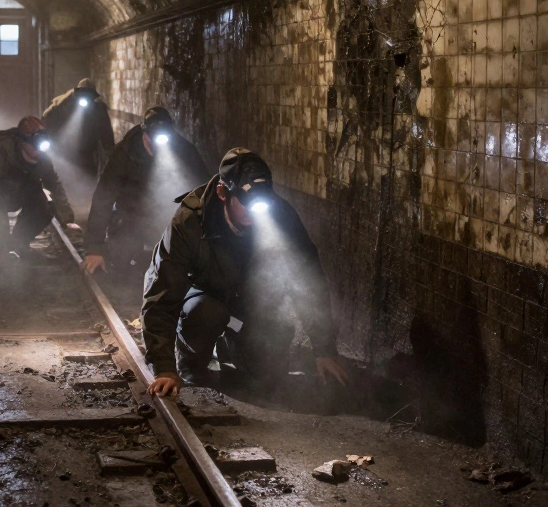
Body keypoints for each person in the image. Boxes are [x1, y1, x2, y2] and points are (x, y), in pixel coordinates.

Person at [141, 148, 349, 396]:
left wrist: (324, 350)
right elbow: (162, 294)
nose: (254, 211)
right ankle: (191, 361)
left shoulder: (281, 217)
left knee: (270, 371)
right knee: (207, 313)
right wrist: (164, 368)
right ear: (222, 193)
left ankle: (234, 349)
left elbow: (308, 283)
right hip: (204, 294)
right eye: (245, 202)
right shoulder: (189, 222)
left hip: (250, 299)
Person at [84, 107, 211, 276]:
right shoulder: (124, 153)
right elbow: (103, 198)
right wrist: (94, 248)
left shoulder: (185, 152)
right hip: (131, 217)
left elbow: (204, 192)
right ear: (144, 133)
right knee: (119, 261)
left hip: (167, 218)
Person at [0, 116, 81, 264]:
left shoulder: (42, 159)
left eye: (40, 146)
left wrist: (67, 220)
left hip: (15, 193)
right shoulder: (0, 153)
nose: (38, 151)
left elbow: (54, 184)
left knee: (45, 205)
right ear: (22, 142)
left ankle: (17, 244)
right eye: (34, 145)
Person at [41, 78, 115, 178]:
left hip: (88, 153)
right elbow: (48, 119)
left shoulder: (98, 109)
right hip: (67, 152)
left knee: (88, 179)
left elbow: (106, 132)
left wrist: (110, 153)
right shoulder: (64, 104)